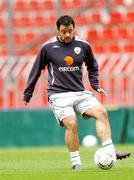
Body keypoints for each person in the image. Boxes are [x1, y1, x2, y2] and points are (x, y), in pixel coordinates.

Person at [23, 15, 130, 171]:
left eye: (70, 31)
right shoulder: (48, 47)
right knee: (72, 123)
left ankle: (110, 150)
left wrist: (94, 84)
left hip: (79, 93)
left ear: (74, 29)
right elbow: (36, 70)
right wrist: (28, 93)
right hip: (58, 95)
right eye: (64, 31)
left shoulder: (83, 45)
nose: (67, 35)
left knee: (101, 112)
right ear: (58, 30)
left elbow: (92, 65)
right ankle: (76, 163)